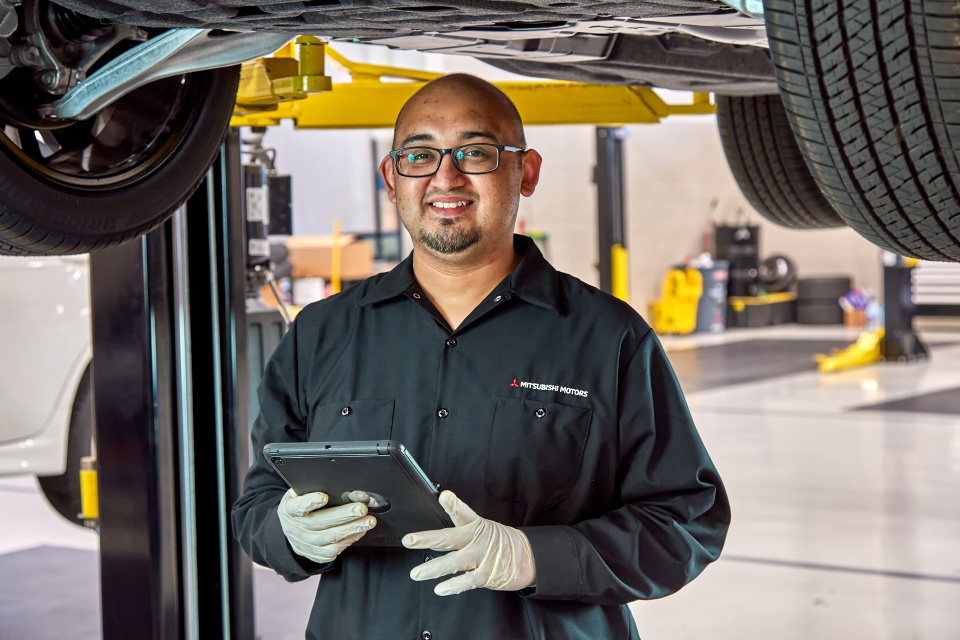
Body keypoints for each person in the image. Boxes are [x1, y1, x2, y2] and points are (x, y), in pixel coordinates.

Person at [232, 73, 730, 639]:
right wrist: (288, 534)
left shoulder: (609, 338)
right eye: (420, 155)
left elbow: (686, 524)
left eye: (475, 152)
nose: (446, 176)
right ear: (391, 180)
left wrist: (535, 556)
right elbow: (257, 507)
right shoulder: (320, 334)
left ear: (528, 171)